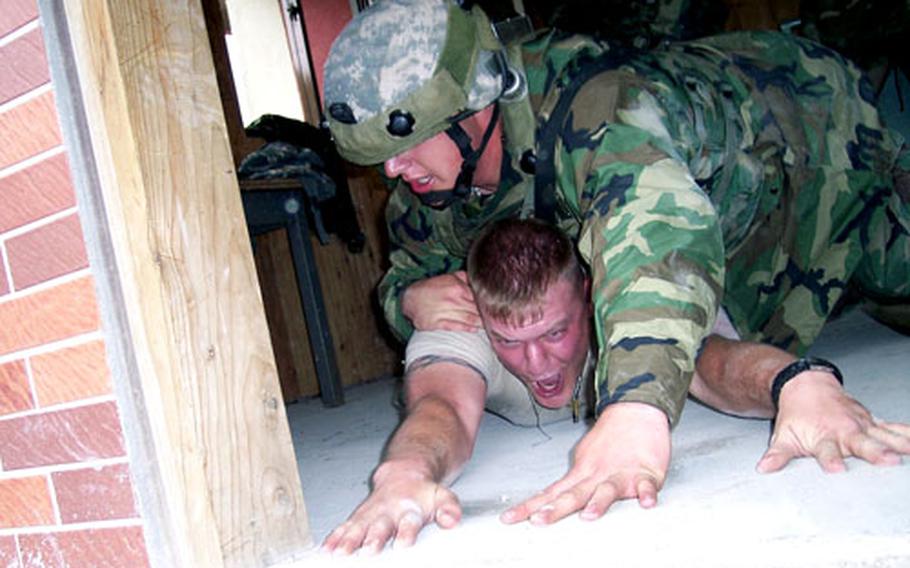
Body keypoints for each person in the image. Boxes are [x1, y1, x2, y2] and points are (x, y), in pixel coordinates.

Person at [320, 0, 910, 552]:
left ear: (474, 110)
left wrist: (633, 411)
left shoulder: (600, 106)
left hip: (821, 145)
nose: (393, 170)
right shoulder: (430, 187)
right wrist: (410, 298)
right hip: (751, 258)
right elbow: (407, 271)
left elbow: (655, 234)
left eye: (408, 143)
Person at [322, 217, 910, 554]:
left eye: (554, 332)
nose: (536, 362)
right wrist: (405, 473)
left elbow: (708, 360)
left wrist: (794, 380)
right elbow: (442, 406)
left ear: (588, 296)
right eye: (509, 341)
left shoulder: (621, 308)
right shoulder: (463, 325)